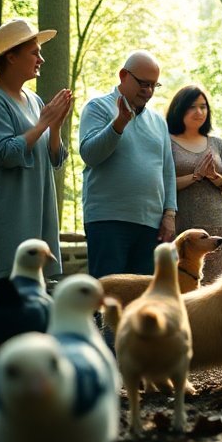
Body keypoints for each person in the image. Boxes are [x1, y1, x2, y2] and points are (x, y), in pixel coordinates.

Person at [0, 19, 72, 287]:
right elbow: (6, 153)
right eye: (34, 52)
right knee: (7, 301)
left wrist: (55, 125)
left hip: (36, 216)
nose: (41, 59)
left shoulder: (34, 100)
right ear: (11, 57)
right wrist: (42, 124)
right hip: (7, 217)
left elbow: (56, 159)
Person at [78, 51, 176, 278]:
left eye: (154, 85)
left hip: (150, 225)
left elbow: (167, 171)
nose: (148, 91)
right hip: (107, 220)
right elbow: (90, 155)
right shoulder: (98, 108)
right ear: (123, 75)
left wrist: (169, 214)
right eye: (143, 83)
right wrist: (119, 123)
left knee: (142, 299)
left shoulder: (158, 122)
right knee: (108, 295)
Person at [166, 84, 222, 282]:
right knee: (183, 284)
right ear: (179, 109)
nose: (199, 112)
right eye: (192, 107)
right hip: (181, 226)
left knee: (214, 284)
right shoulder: (166, 141)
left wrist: (216, 177)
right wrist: (195, 176)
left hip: (216, 225)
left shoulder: (216, 143)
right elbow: (162, 184)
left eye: (203, 106)